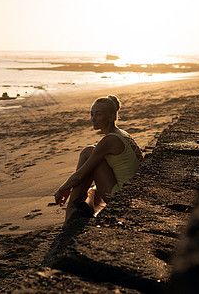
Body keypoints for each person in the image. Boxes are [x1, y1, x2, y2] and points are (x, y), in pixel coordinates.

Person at [54, 95, 143, 227]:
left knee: (88, 154)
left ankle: (71, 209)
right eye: (91, 114)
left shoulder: (109, 140)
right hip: (133, 190)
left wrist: (62, 189)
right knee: (90, 152)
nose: (93, 119)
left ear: (112, 117)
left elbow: (79, 175)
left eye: (98, 115)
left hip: (122, 196)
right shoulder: (122, 133)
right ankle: (78, 205)